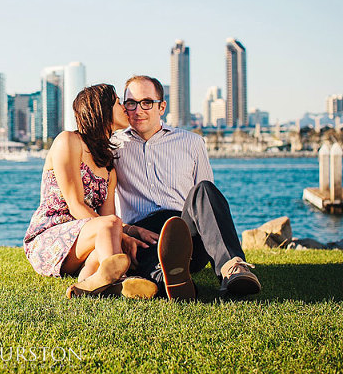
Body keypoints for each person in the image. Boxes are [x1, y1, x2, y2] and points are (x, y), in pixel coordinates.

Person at [113, 75, 261, 300]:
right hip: (142, 238)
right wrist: (124, 232)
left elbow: (207, 204)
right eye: (131, 103)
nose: (138, 110)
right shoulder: (113, 146)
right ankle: (171, 282)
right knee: (152, 262)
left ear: (161, 106)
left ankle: (232, 268)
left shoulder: (192, 142)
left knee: (205, 189)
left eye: (147, 102)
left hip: (185, 232)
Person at [24, 83, 158, 299]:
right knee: (113, 226)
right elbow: (76, 205)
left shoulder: (108, 166)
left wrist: (126, 233)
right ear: (101, 109)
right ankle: (120, 279)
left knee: (110, 233)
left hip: (81, 246)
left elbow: (106, 219)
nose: (124, 107)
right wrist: (127, 232)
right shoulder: (69, 141)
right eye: (117, 102)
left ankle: (89, 284)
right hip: (49, 240)